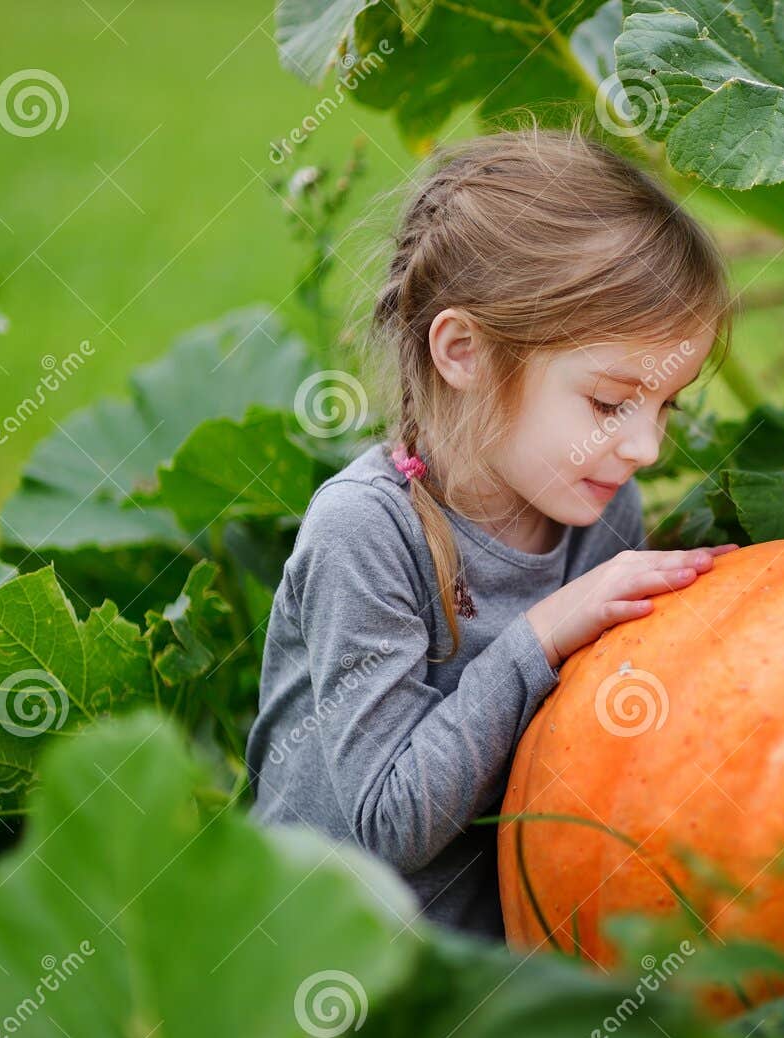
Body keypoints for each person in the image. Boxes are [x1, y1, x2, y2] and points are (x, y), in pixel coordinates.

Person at [245, 121, 738, 940]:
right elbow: (387, 823)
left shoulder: (599, 505)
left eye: (666, 405)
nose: (646, 447)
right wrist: (543, 636)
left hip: (496, 978)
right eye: (611, 403)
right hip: (323, 989)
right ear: (464, 351)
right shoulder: (366, 533)